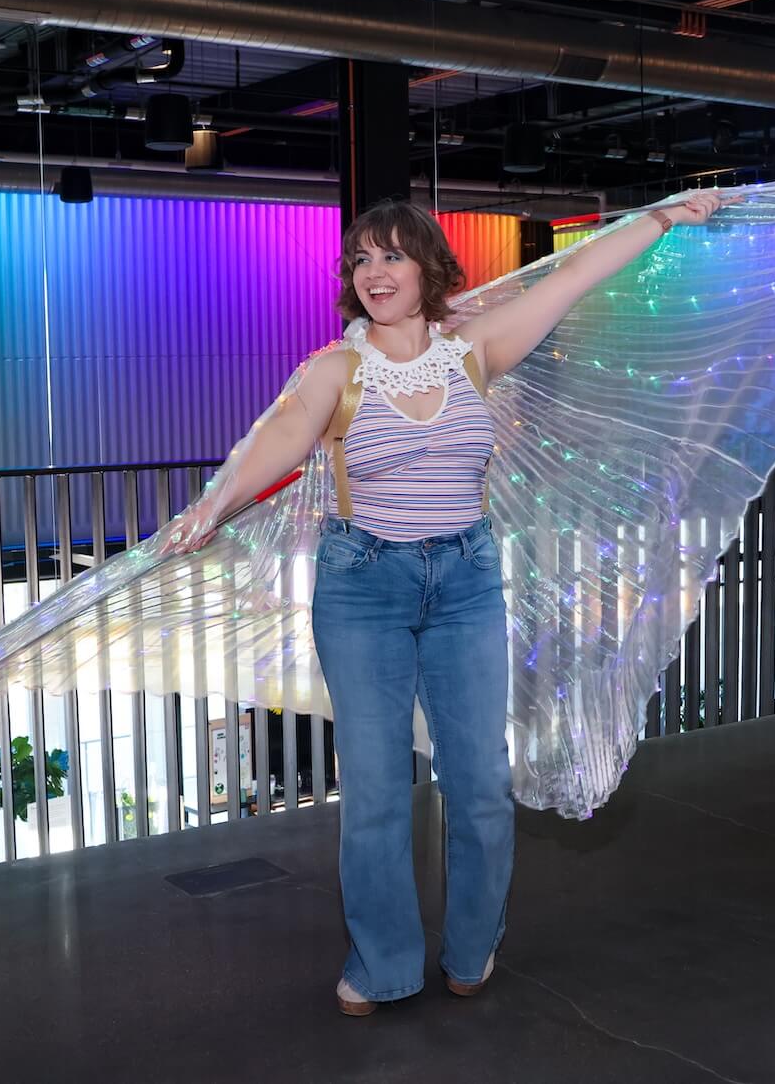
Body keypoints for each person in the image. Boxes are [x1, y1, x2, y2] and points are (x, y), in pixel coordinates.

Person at [162, 189, 729, 1015]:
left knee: (481, 783)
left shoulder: (474, 350)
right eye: (361, 259)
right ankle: (383, 964)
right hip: (363, 587)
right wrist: (214, 504)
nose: (374, 272)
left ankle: (473, 946)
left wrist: (660, 219)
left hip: (465, 580)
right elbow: (281, 435)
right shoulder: (336, 368)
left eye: (392, 255)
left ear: (431, 268)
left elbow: (570, 281)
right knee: (379, 790)